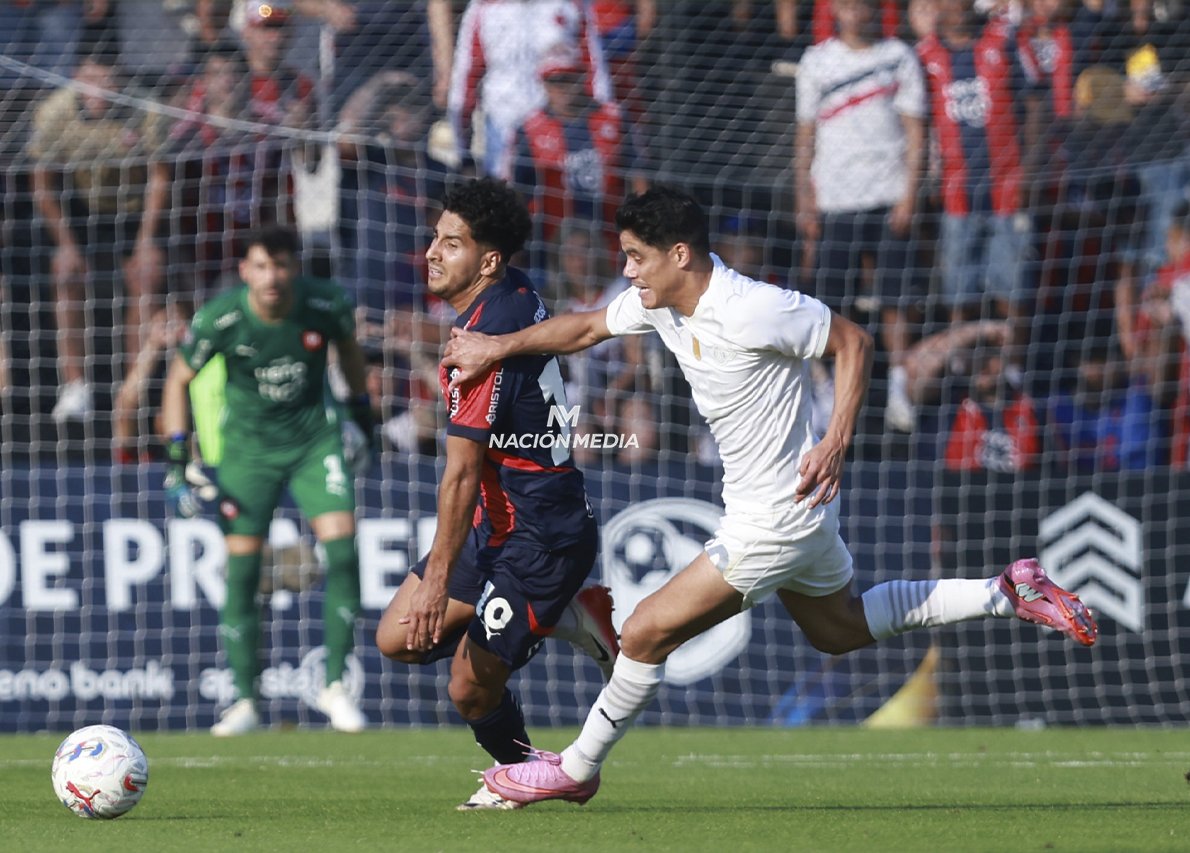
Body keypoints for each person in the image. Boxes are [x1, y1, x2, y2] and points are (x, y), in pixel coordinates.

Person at [440, 185, 1097, 806]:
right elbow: (582, 329)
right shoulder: (658, 300)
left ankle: (577, 771)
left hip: (777, 517)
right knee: (837, 628)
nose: (628, 270)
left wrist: (835, 438)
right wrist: (497, 345)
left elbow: (854, 342)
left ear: (680, 254)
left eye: (637, 256)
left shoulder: (755, 306)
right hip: (793, 510)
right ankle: (1004, 592)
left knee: (642, 632)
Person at [373, 178, 621, 811]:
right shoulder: (509, 302)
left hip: (541, 536)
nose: (431, 251)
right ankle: (572, 618)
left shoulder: (479, 347)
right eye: (434, 237)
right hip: (497, 525)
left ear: (488, 260)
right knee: (399, 638)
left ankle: (521, 774)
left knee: (468, 690)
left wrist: (436, 582)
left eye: (450, 243)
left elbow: (458, 475)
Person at [161, 224, 374, 736]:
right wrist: (176, 459)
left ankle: (335, 686)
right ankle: (244, 701)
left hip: (313, 443)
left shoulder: (325, 304)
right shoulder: (222, 317)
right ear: (245, 271)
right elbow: (178, 380)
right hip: (247, 455)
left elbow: (350, 356)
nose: (271, 277)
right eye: (260, 266)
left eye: (280, 265)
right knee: (241, 571)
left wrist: (362, 421)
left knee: (343, 552)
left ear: (294, 268)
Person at [795, 0, 926, 433]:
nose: (856, 10)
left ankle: (899, 387)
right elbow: (805, 136)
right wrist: (804, 199)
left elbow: (915, 131)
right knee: (829, 303)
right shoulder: (816, 61)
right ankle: (828, 388)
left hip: (889, 196)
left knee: (896, 300)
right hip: (834, 201)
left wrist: (909, 195)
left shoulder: (898, 57)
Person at [29, 47, 169, 422]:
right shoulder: (54, 111)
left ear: (120, 78)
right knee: (65, 272)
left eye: (108, 80)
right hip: (79, 209)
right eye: (91, 80)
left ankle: (133, 387)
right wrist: (66, 244)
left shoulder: (146, 108)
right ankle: (75, 386)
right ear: (77, 77)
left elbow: (159, 178)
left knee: (147, 273)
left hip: (133, 210)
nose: (100, 89)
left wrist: (145, 241)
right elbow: (42, 186)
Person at [443, 0, 613, 178]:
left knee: (560, 195)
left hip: (557, 127)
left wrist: (602, 121)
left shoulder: (570, 4)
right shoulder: (484, 7)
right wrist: (463, 152)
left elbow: (594, 66)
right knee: (505, 195)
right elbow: (466, 76)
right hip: (503, 124)